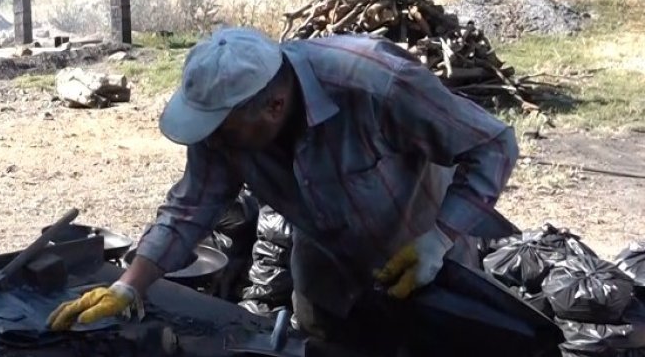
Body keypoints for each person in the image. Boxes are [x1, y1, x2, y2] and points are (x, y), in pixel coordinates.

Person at [47, 26, 519, 340]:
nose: (213, 142)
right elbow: (190, 208)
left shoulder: (375, 83)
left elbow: (494, 145)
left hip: (426, 265)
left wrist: (438, 239)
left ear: (274, 107)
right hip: (327, 271)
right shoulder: (227, 126)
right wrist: (128, 287)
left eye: (224, 131)